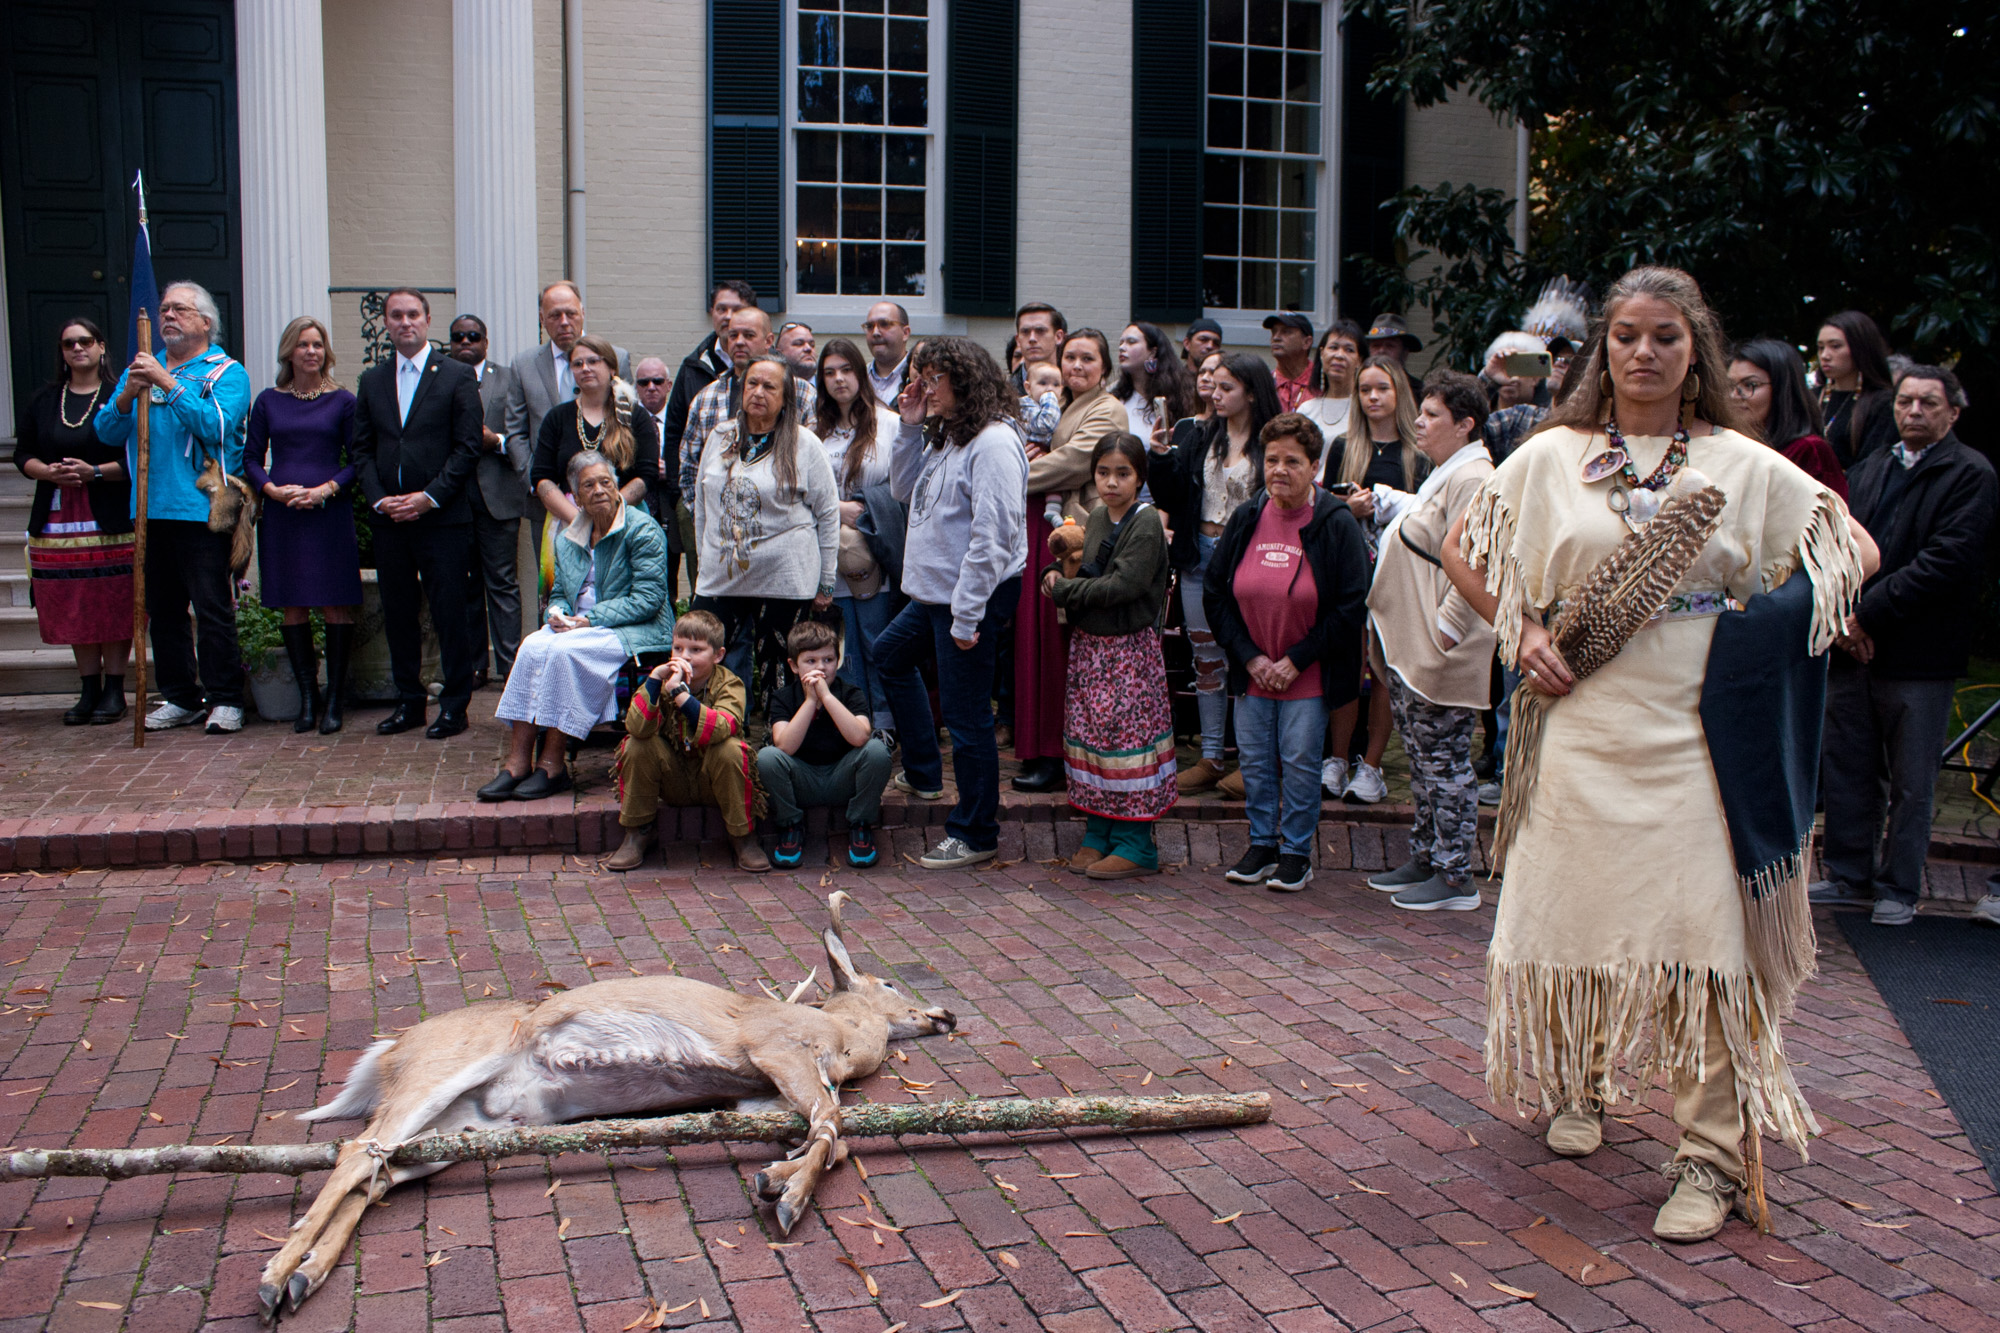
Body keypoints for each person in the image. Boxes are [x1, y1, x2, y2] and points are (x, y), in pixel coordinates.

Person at [1442, 265, 1878, 1242]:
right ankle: (1580, 1082)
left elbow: (1849, 550)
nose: (1641, 351)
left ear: (1695, 355)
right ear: (1602, 348)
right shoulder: (1550, 456)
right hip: (1581, 719)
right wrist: (1518, 632)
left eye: (1664, 337)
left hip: (1693, 733)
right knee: (1576, 919)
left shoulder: (1738, 463)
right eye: (1625, 334)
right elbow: (1462, 544)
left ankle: (1709, 1160)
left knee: (1699, 948)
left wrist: (1760, 625)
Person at [1814, 365, 1995, 926]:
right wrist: (1842, 618)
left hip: (1921, 653)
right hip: (1854, 648)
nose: (1913, 411)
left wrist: (1864, 614)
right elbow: (1840, 542)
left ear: (1953, 413)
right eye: (1905, 402)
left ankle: (1899, 887)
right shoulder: (1870, 469)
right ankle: (1848, 873)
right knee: (1849, 766)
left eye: (1927, 403)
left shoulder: (1971, 474)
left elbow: (1946, 562)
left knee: (1913, 781)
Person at [878, 337, 1028, 869]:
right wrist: (911, 424)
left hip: (970, 596)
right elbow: (901, 489)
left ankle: (975, 831)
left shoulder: (992, 443)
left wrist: (968, 614)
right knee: (888, 657)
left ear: (964, 379)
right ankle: (922, 772)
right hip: (936, 594)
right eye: (916, 376)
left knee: (967, 719)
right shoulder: (947, 435)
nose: (920, 387)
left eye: (932, 378)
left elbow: (995, 537)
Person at [1207, 413, 1370, 893]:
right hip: (1254, 669)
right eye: (1272, 460)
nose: (1279, 470)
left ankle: (1296, 853)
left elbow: (1351, 604)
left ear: (1315, 466)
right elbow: (1216, 592)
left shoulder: (1336, 524)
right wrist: (1250, 657)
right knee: (1255, 761)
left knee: (1299, 762)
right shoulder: (1247, 516)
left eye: (1292, 461)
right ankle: (1261, 844)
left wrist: (1296, 658)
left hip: (1308, 671)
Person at [1362, 371, 1496, 911]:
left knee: (1445, 760)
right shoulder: (1450, 471)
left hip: (1442, 646)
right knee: (1422, 755)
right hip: (1417, 641)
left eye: (1432, 414)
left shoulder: (1475, 477)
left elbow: (1481, 556)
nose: (1418, 421)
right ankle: (1427, 855)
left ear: (1464, 425)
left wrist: (1447, 627)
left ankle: (1456, 873)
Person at [94, 281, 252, 734]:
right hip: (148, 506)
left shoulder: (226, 371)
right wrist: (128, 394)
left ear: (206, 322)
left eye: (180, 309)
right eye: (165, 309)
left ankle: (225, 699)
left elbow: (217, 426)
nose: (168, 316)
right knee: (162, 609)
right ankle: (181, 697)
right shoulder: (141, 366)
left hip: (202, 508)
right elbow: (106, 432)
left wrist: (167, 384)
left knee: (211, 606)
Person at [481, 450, 674, 803]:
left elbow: (648, 599)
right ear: (577, 496)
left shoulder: (641, 529)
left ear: (617, 487)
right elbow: (559, 593)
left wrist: (589, 619)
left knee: (563, 653)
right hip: (578, 626)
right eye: (589, 485)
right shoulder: (571, 535)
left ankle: (552, 765)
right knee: (532, 646)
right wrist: (557, 613)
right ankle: (517, 763)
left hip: (634, 628)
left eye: (606, 482)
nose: (599, 490)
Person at [350, 287, 485, 739]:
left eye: (413, 314)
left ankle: (454, 706)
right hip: (390, 519)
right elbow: (362, 449)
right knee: (399, 613)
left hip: (441, 518)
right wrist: (377, 498)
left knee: (449, 613)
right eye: (396, 315)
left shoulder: (455, 375)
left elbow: (468, 448)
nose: (405, 322)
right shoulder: (372, 380)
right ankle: (409, 701)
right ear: (386, 323)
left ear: (427, 320)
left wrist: (428, 497)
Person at [1148, 354, 1282, 794]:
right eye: (1213, 386)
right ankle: (1210, 757)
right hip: (1198, 555)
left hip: (1246, 559)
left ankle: (1252, 759)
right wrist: (1160, 456)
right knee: (1205, 660)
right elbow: (1171, 493)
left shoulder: (1271, 441)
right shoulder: (1202, 434)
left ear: (1252, 391)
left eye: (1226, 387)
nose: (1214, 393)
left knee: (1248, 657)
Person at [1045, 433, 1176, 879]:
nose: (1111, 482)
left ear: (1139, 476)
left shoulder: (1146, 523)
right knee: (1093, 740)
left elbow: (1125, 585)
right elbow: (1081, 563)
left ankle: (1135, 843)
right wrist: (1055, 572)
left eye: (1122, 473)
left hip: (1127, 654)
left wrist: (1065, 590)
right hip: (1090, 649)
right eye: (1103, 472)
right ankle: (1098, 833)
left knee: (1127, 743)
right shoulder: (1097, 516)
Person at [1014, 329, 1130, 793]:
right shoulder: (1053, 403)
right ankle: (1036, 746)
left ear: (1105, 367)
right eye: (1070, 358)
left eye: (1088, 359)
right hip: (1039, 525)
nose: (1077, 367)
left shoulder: (1108, 408)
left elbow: (1077, 461)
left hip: (1075, 533)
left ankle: (1060, 753)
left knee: (1058, 643)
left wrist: (1010, 471)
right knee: (1033, 640)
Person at [690, 353, 838, 698]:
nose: (758, 392)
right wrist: (705, 560)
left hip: (784, 579)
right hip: (721, 578)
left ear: (785, 397)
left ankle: (779, 742)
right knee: (709, 663)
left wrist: (826, 582)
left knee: (781, 669)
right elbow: (702, 506)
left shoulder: (804, 443)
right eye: (752, 383)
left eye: (769, 386)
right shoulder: (721, 436)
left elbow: (828, 514)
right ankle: (721, 737)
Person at [244, 316, 361, 734]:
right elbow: (251, 459)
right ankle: (307, 700)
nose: (311, 351)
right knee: (293, 604)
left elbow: (359, 461)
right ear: (289, 352)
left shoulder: (343, 401)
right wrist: (272, 491)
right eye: (303, 344)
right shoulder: (268, 401)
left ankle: (334, 700)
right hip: (283, 514)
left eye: (317, 344)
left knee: (334, 603)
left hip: (328, 512)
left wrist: (325, 490)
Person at [12, 317, 131, 725]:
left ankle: (115, 689)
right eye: (68, 343)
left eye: (85, 341)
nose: (77, 349)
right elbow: (21, 453)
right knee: (75, 602)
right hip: (58, 517)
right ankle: (89, 689)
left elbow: (139, 458)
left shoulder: (120, 396)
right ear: (62, 352)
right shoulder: (44, 400)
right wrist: (47, 473)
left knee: (113, 599)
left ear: (101, 347)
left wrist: (94, 472)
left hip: (110, 517)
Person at [1324, 355, 1424, 804]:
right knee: (1346, 663)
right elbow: (1322, 507)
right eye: (1365, 390)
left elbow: (1430, 515)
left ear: (1399, 392)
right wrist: (1350, 508)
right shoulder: (1345, 447)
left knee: (1384, 668)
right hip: (1349, 569)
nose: (1373, 397)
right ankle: (1337, 759)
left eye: (1382, 388)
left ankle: (1373, 766)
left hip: (1398, 573)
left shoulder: (1417, 454)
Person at [606, 609, 767, 873]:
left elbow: (722, 728)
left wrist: (681, 696)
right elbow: (635, 726)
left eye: (696, 650)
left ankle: (742, 837)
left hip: (713, 780)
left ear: (718, 655)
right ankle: (638, 832)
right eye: (678, 648)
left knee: (731, 749)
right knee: (636, 744)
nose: (684, 657)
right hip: (673, 780)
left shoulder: (730, 684)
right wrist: (656, 681)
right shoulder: (660, 680)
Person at [757, 618, 892, 870]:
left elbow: (860, 737)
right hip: (801, 780)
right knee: (766, 757)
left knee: (876, 751)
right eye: (811, 661)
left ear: (837, 661)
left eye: (828, 660)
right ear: (794, 666)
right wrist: (810, 702)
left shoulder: (851, 693)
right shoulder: (783, 697)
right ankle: (790, 825)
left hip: (843, 778)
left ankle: (860, 824)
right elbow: (784, 747)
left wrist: (827, 697)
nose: (821, 668)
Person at [813, 338, 899, 723]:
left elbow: (905, 485)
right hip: (828, 556)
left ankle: (883, 723)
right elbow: (800, 491)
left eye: (846, 370)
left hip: (873, 550)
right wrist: (836, 508)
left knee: (876, 640)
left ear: (860, 375)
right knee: (841, 646)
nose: (839, 379)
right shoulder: (814, 433)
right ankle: (854, 720)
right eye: (829, 372)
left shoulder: (890, 425)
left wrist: (863, 509)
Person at [660, 280, 759, 592]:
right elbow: (675, 431)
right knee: (705, 581)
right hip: (699, 498)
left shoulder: (772, 375)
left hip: (755, 500)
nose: (728, 317)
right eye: (721, 309)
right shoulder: (694, 367)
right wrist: (684, 496)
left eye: (736, 309)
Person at [446, 315, 527, 687]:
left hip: (498, 493)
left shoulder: (509, 378)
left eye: (473, 336)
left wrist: (495, 440)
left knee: (502, 582)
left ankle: (510, 667)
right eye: (458, 336)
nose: (466, 342)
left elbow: (522, 432)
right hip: (453, 495)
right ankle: (473, 667)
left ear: (486, 341)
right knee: (463, 586)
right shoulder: (440, 376)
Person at [503, 281, 633, 489]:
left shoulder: (616, 358)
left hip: (609, 492)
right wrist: (536, 481)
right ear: (542, 319)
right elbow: (516, 431)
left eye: (570, 314)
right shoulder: (523, 365)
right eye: (555, 315)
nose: (564, 322)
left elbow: (628, 421)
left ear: (582, 313)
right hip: (547, 496)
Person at [531, 335, 660, 528]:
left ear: (611, 368)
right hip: (570, 523)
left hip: (624, 521)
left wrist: (607, 512)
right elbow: (542, 478)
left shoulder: (635, 416)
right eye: (577, 364)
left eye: (593, 361)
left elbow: (647, 475)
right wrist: (579, 521)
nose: (585, 368)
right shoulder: (557, 418)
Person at [1729, 339, 1846, 500]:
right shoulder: (1733, 445)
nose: (1734, 395)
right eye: (1729, 386)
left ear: (1782, 389)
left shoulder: (1809, 451)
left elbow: (1830, 519)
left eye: (1750, 385)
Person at [1815, 310, 1897, 468]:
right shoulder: (1811, 397)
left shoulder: (1882, 402)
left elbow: (1872, 466)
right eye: (1820, 348)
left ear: (1860, 348)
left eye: (1835, 346)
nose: (1825, 355)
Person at [1113, 322, 1199, 445]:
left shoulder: (1180, 395)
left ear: (1152, 352)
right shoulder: (1114, 397)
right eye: (1121, 343)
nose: (1122, 347)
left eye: (1131, 342)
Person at [1299, 319, 1361, 457]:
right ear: (1322, 354)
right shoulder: (1306, 410)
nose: (1339, 355)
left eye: (1349, 350)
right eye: (1333, 347)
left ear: (1359, 360)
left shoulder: (1366, 409)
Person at [1264, 312, 1316, 411]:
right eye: (1274, 332)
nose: (1276, 337)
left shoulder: (1321, 383)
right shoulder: (1265, 384)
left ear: (1306, 342)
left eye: (1286, 332)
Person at [862, 301, 911, 406]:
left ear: (905, 333)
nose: (875, 332)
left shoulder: (918, 378)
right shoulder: (858, 378)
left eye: (884, 324)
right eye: (869, 326)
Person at [1011, 303, 1066, 391]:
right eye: (1025, 332)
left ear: (1058, 337)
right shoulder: (1003, 392)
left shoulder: (1074, 386)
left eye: (1040, 331)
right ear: (1018, 340)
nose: (1032, 338)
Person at [1018, 360, 1064, 453]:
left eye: (1056, 385)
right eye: (1043, 383)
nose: (1050, 388)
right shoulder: (1026, 405)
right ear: (1028, 388)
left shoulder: (1055, 406)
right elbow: (1046, 424)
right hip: (1031, 448)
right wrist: (1049, 397)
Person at [777, 321, 817, 388]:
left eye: (812, 345)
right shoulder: (772, 388)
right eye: (799, 344)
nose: (808, 348)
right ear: (779, 353)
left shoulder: (829, 388)